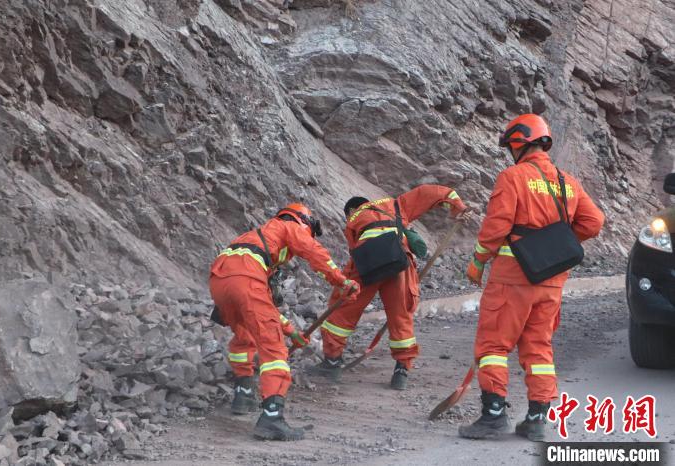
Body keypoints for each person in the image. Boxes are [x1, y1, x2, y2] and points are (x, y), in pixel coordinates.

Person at [458, 114, 605, 441]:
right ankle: (537, 419)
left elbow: (497, 226)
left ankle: (493, 417)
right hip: (551, 280)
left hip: (513, 277)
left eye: (511, 145)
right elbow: (594, 222)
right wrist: (556, 243)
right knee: (539, 347)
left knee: (494, 344)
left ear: (520, 142)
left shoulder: (513, 177)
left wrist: (479, 261)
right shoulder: (568, 182)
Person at [209, 203, 359, 441]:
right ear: (303, 221)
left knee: (244, 334)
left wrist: (291, 332)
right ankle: (271, 418)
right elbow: (313, 251)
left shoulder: (255, 238)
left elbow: (263, 306)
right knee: (274, 349)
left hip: (220, 281)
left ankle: (243, 393)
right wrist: (341, 281)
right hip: (246, 280)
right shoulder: (289, 225)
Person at [309, 185, 469, 389]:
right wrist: (458, 206)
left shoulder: (353, 218)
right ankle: (401, 371)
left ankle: (332, 363)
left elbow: (354, 252)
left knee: (342, 311)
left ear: (351, 210)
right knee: (401, 315)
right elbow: (431, 192)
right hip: (398, 261)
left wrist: (345, 284)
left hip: (367, 261)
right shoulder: (396, 204)